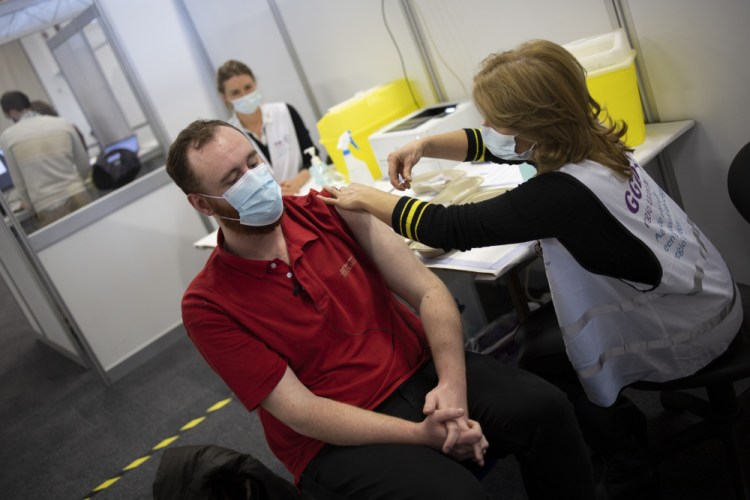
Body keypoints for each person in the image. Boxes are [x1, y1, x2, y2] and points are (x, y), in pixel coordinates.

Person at [320, 39, 744, 500]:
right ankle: (621, 434)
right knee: (545, 339)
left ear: (533, 124)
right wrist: (426, 143)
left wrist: (364, 196)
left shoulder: (561, 193)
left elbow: (449, 228)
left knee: (539, 358)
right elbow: (496, 145)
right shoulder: (585, 132)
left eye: (496, 115)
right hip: (712, 295)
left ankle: (629, 459)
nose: (484, 123)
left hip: (689, 330)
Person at [165, 118, 597, 500]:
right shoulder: (208, 304)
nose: (255, 179)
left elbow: (428, 291)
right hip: (336, 438)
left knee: (547, 409)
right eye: (232, 178)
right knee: (454, 494)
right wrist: (422, 436)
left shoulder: (331, 209)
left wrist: (452, 389)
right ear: (202, 203)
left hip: (420, 372)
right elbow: (302, 412)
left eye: (253, 162)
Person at [217, 60, 319, 196]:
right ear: (225, 97)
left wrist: (296, 182)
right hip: (270, 209)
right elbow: (239, 187)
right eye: (235, 92)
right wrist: (273, 193)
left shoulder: (285, 112)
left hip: (304, 191)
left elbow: (312, 156)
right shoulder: (228, 136)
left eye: (248, 87)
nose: (245, 96)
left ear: (255, 84)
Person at [1, 91, 92, 227]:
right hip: (77, 193)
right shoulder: (63, 123)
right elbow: (84, 164)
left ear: (12, 112)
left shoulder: (8, 137)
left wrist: (31, 206)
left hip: (46, 205)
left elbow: (19, 181)